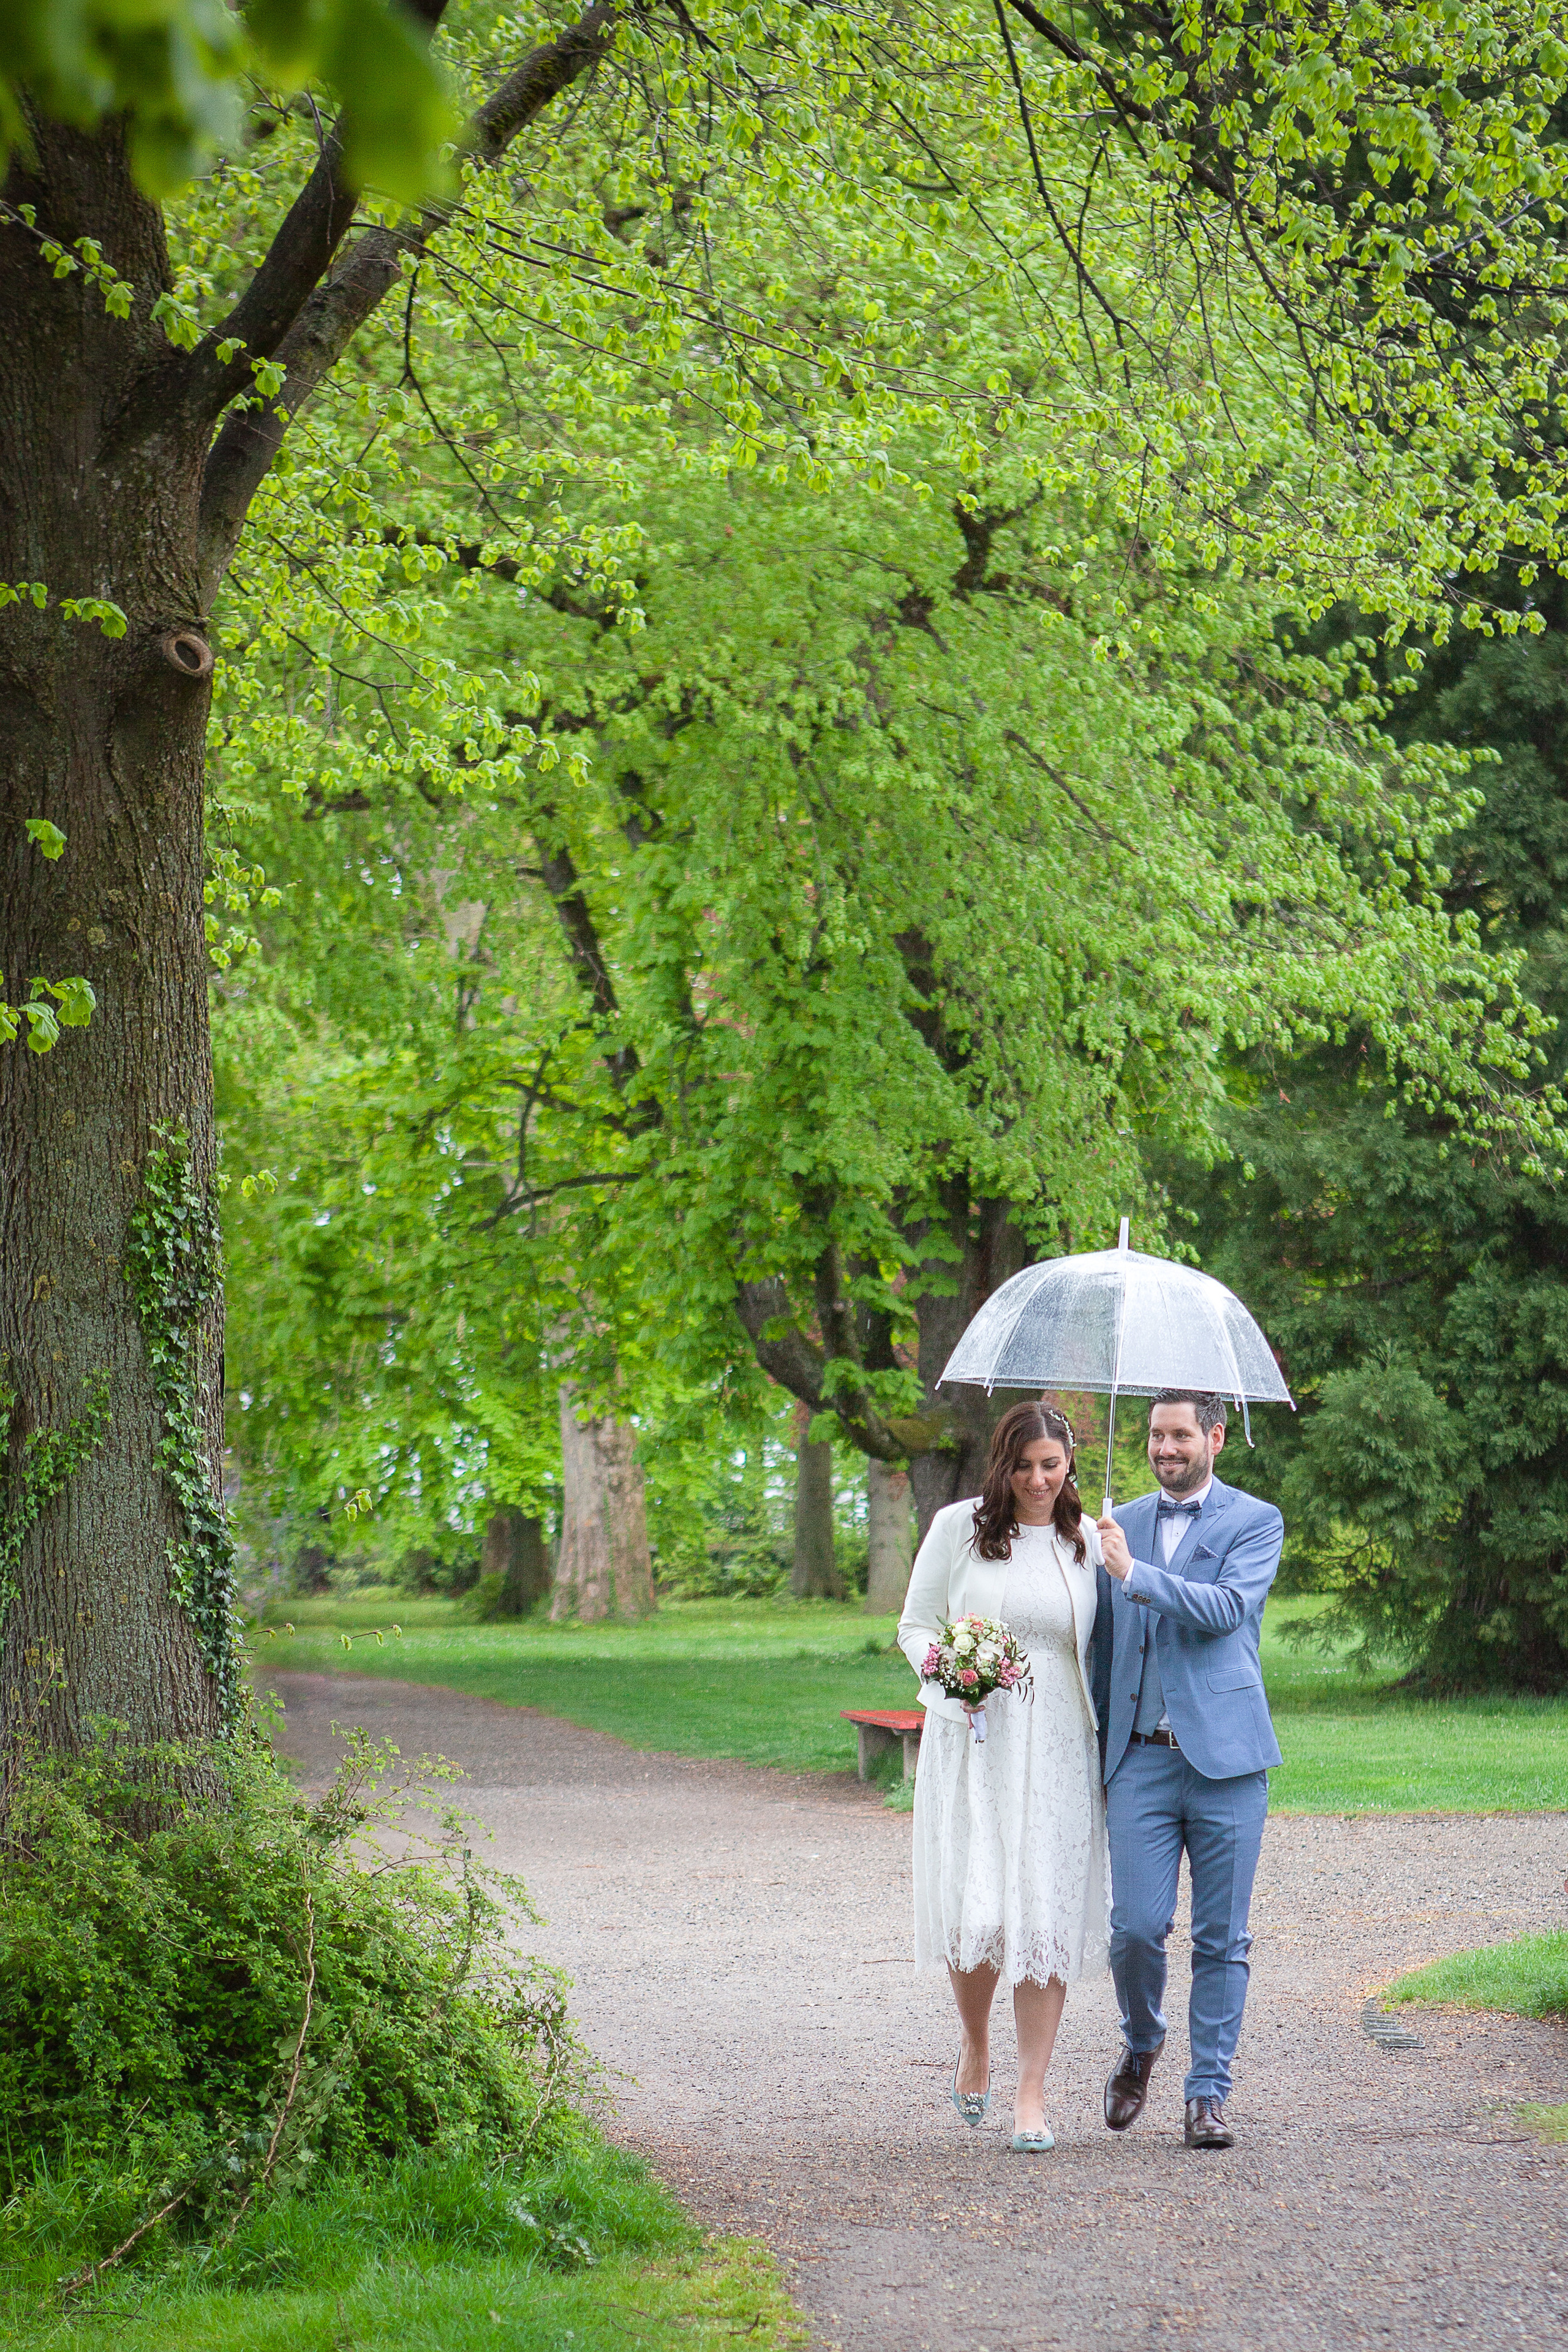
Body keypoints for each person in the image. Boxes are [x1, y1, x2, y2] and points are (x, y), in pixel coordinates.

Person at [897, 1401, 1109, 2153]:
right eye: (1023, 1466)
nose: (1037, 1480)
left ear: (1070, 1462)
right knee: (977, 1905)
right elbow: (915, 1623)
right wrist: (950, 1669)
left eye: (1050, 1465)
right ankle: (976, 2042)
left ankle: (1031, 2093)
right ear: (1002, 1466)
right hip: (978, 1738)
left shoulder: (1085, 1539)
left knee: (1044, 1913)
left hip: (1056, 1742)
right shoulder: (959, 1528)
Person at [1090, 1390, 1284, 2150]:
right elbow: (1092, 1635)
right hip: (1137, 1762)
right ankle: (1142, 2040)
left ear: (1214, 1437)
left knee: (1220, 1938)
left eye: (1179, 1435)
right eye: (1153, 1436)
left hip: (1227, 1761)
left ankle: (1207, 2094)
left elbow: (1225, 1608)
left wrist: (1132, 1572)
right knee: (1133, 1930)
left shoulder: (1254, 1521)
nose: (1164, 1449)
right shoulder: (1120, 1523)